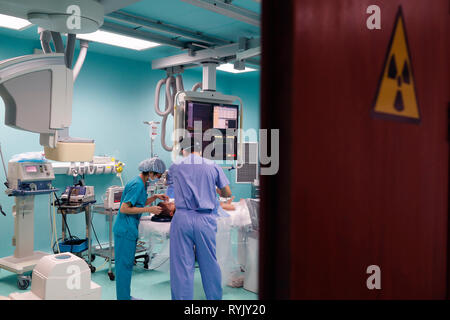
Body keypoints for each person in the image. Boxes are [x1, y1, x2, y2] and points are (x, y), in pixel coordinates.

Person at [167, 140, 232, 300]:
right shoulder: (212, 165)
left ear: (183, 151)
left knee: (181, 266)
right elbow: (227, 192)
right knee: (209, 262)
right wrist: (216, 190)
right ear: (200, 150)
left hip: (182, 218)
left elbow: (170, 192)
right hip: (205, 220)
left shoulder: (175, 166)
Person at [113, 157, 169, 300]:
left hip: (129, 228)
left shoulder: (142, 183)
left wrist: (155, 197)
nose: (158, 178)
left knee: (126, 266)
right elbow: (125, 209)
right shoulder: (137, 184)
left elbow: (139, 202)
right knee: (123, 268)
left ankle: (125, 296)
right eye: (157, 175)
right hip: (125, 229)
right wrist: (149, 209)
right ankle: (123, 298)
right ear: (150, 172)